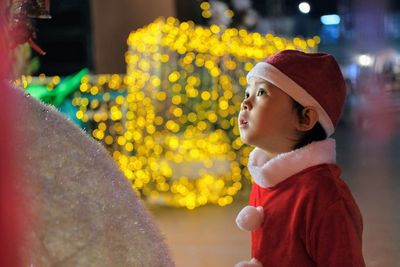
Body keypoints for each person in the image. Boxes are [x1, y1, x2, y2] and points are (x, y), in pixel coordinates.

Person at [234, 50, 365, 267]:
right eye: (247, 93)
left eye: (261, 93)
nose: (245, 103)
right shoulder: (266, 178)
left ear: (305, 118)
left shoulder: (326, 197)